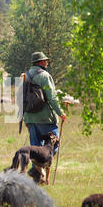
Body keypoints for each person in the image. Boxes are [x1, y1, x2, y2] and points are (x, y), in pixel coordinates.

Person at [22, 52, 66, 183]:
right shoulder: (45, 76)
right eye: (45, 61)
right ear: (41, 62)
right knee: (54, 145)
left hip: (30, 118)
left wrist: (24, 117)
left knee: (35, 149)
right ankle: (37, 172)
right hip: (45, 118)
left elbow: (21, 98)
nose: (47, 63)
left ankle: (37, 174)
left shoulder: (24, 76)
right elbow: (51, 97)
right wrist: (60, 112)